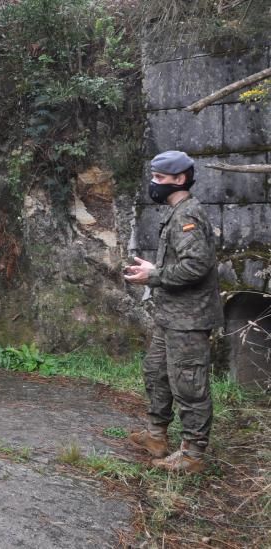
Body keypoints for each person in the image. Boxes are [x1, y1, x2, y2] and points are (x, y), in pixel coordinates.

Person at [123, 150, 222, 474]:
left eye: (160, 179)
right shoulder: (176, 211)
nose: (154, 184)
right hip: (171, 317)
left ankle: (192, 454)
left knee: (189, 386)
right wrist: (157, 269)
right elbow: (183, 263)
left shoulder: (187, 216)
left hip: (189, 320)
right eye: (153, 177)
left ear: (179, 179)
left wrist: (155, 275)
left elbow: (195, 266)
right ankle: (156, 436)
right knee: (157, 374)